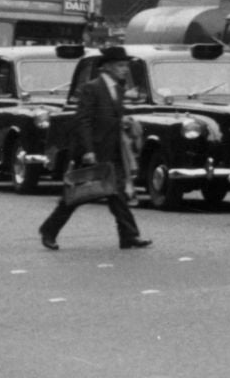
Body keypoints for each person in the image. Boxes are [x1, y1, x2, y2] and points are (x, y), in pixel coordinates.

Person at [39, 50, 149, 252]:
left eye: (125, 66)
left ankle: (129, 236)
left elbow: (111, 117)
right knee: (77, 195)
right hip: (95, 151)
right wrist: (88, 150)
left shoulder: (118, 88)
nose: (125, 70)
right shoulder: (92, 88)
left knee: (117, 195)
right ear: (106, 68)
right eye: (120, 66)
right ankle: (49, 230)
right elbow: (84, 120)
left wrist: (123, 122)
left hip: (114, 149)